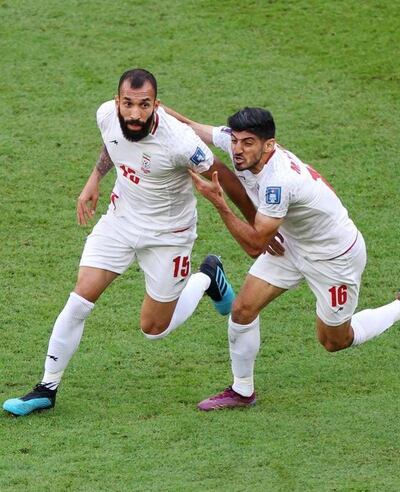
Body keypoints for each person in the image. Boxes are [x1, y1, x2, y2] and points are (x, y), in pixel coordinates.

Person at [2, 69, 257, 417]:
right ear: (117, 101)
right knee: (80, 298)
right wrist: (95, 178)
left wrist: (256, 223)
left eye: (144, 105)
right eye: (128, 104)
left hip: (168, 236)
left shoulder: (180, 142)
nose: (135, 114)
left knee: (154, 329)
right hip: (120, 220)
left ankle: (207, 277)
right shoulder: (107, 115)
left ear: (156, 105)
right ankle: (46, 388)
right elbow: (114, 143)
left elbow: (223, 174)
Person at [165, 105, 400, 410]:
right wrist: (155, 110)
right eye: (235, 141)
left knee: (334, 341)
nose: (238, 150)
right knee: (243, 310)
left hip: (333, 258)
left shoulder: (279, 181)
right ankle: (242, 391)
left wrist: (219, 203)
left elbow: (255, 245)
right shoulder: (241, 147)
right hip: (291, 244)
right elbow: (190, 125)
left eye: (247, 143)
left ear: (269, 145)